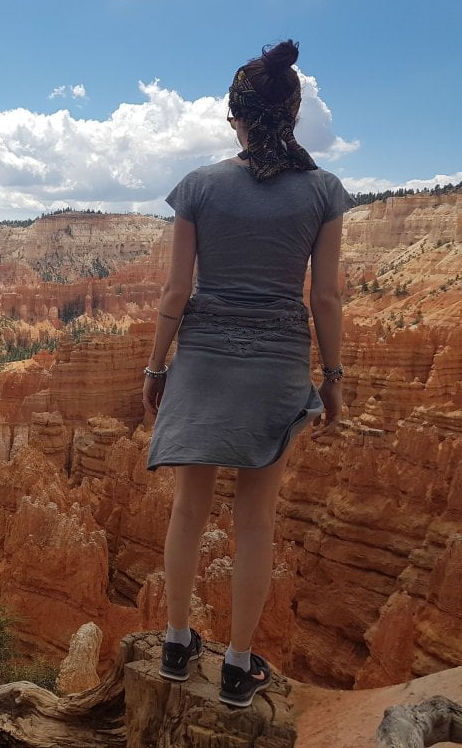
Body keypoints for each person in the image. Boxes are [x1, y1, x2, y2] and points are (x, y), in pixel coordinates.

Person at [140, 40, 352, 708]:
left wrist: (155, 366)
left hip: (200, 357)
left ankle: (176, 645)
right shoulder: (323, 191)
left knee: (189, 507)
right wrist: (335, 376)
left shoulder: (198, 187)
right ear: (291, 115)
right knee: (254, 521)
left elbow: (176, 292)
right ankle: (236, 666)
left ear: (235, 115)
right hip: (277, 365)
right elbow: (325, 298)